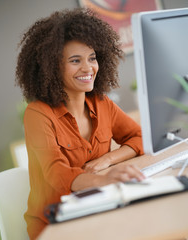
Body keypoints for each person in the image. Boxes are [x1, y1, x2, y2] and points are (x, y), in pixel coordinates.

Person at [16, 8, 144, 240]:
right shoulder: (38, 114)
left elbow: (139, 137)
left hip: (99, 208)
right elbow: (57, 173)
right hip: (55, 222)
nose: (88, 68)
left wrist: (107, 160)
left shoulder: (102, 103)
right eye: (75, 61)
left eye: (92, 58)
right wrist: (104, 180)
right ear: (52, 67)